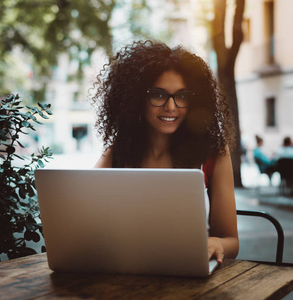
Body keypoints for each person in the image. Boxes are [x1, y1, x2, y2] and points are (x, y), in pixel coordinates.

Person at [92, 41, 238, 264]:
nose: (171, 107)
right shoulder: (118, 153)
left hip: (189, 271)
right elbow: (85, 213)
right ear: (137, 98)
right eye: (158, 95)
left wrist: (216, 243)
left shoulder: (213, 153)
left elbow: (232, 242)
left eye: (182, 96)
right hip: (128, 267)